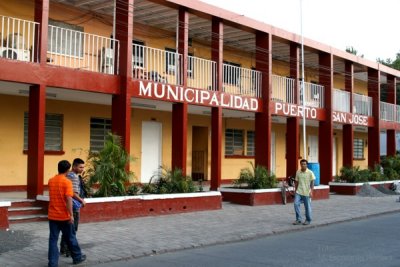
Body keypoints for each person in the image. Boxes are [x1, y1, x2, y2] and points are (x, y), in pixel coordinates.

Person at [48, 160, 86, 267]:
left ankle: (52, 263)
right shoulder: (67, 182)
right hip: (64, 216)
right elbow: (69, 200)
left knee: (53, 240)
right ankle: (77, 257)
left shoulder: (51, 181)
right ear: (68, 170)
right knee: (71, 237)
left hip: (52, 215)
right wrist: (71, 215)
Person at [60, 158, 86, 257]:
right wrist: (81, 200)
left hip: (66, 205)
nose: (82, 169)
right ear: (74, 166)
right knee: (72, 230)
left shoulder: (67, 175)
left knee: (67, 229)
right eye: (80, 167)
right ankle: (69, 250)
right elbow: (73, 193)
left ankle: (63, 248)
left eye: (83, 167)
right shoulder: (74, 177)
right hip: (74, 206)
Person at [293, 159, 315, 226]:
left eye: (304, 164)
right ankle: (298, 219)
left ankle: (308, 220)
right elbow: (296, 182)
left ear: (307, 165)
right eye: (302, 164)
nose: (303, 165)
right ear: (300, 165)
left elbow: (312, 182)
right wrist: (295, 190)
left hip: (306, 192)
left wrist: (311, 191)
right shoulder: (298, 172)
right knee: (296, 204)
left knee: (307, 207)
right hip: (299, 192)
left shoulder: (310, 172)